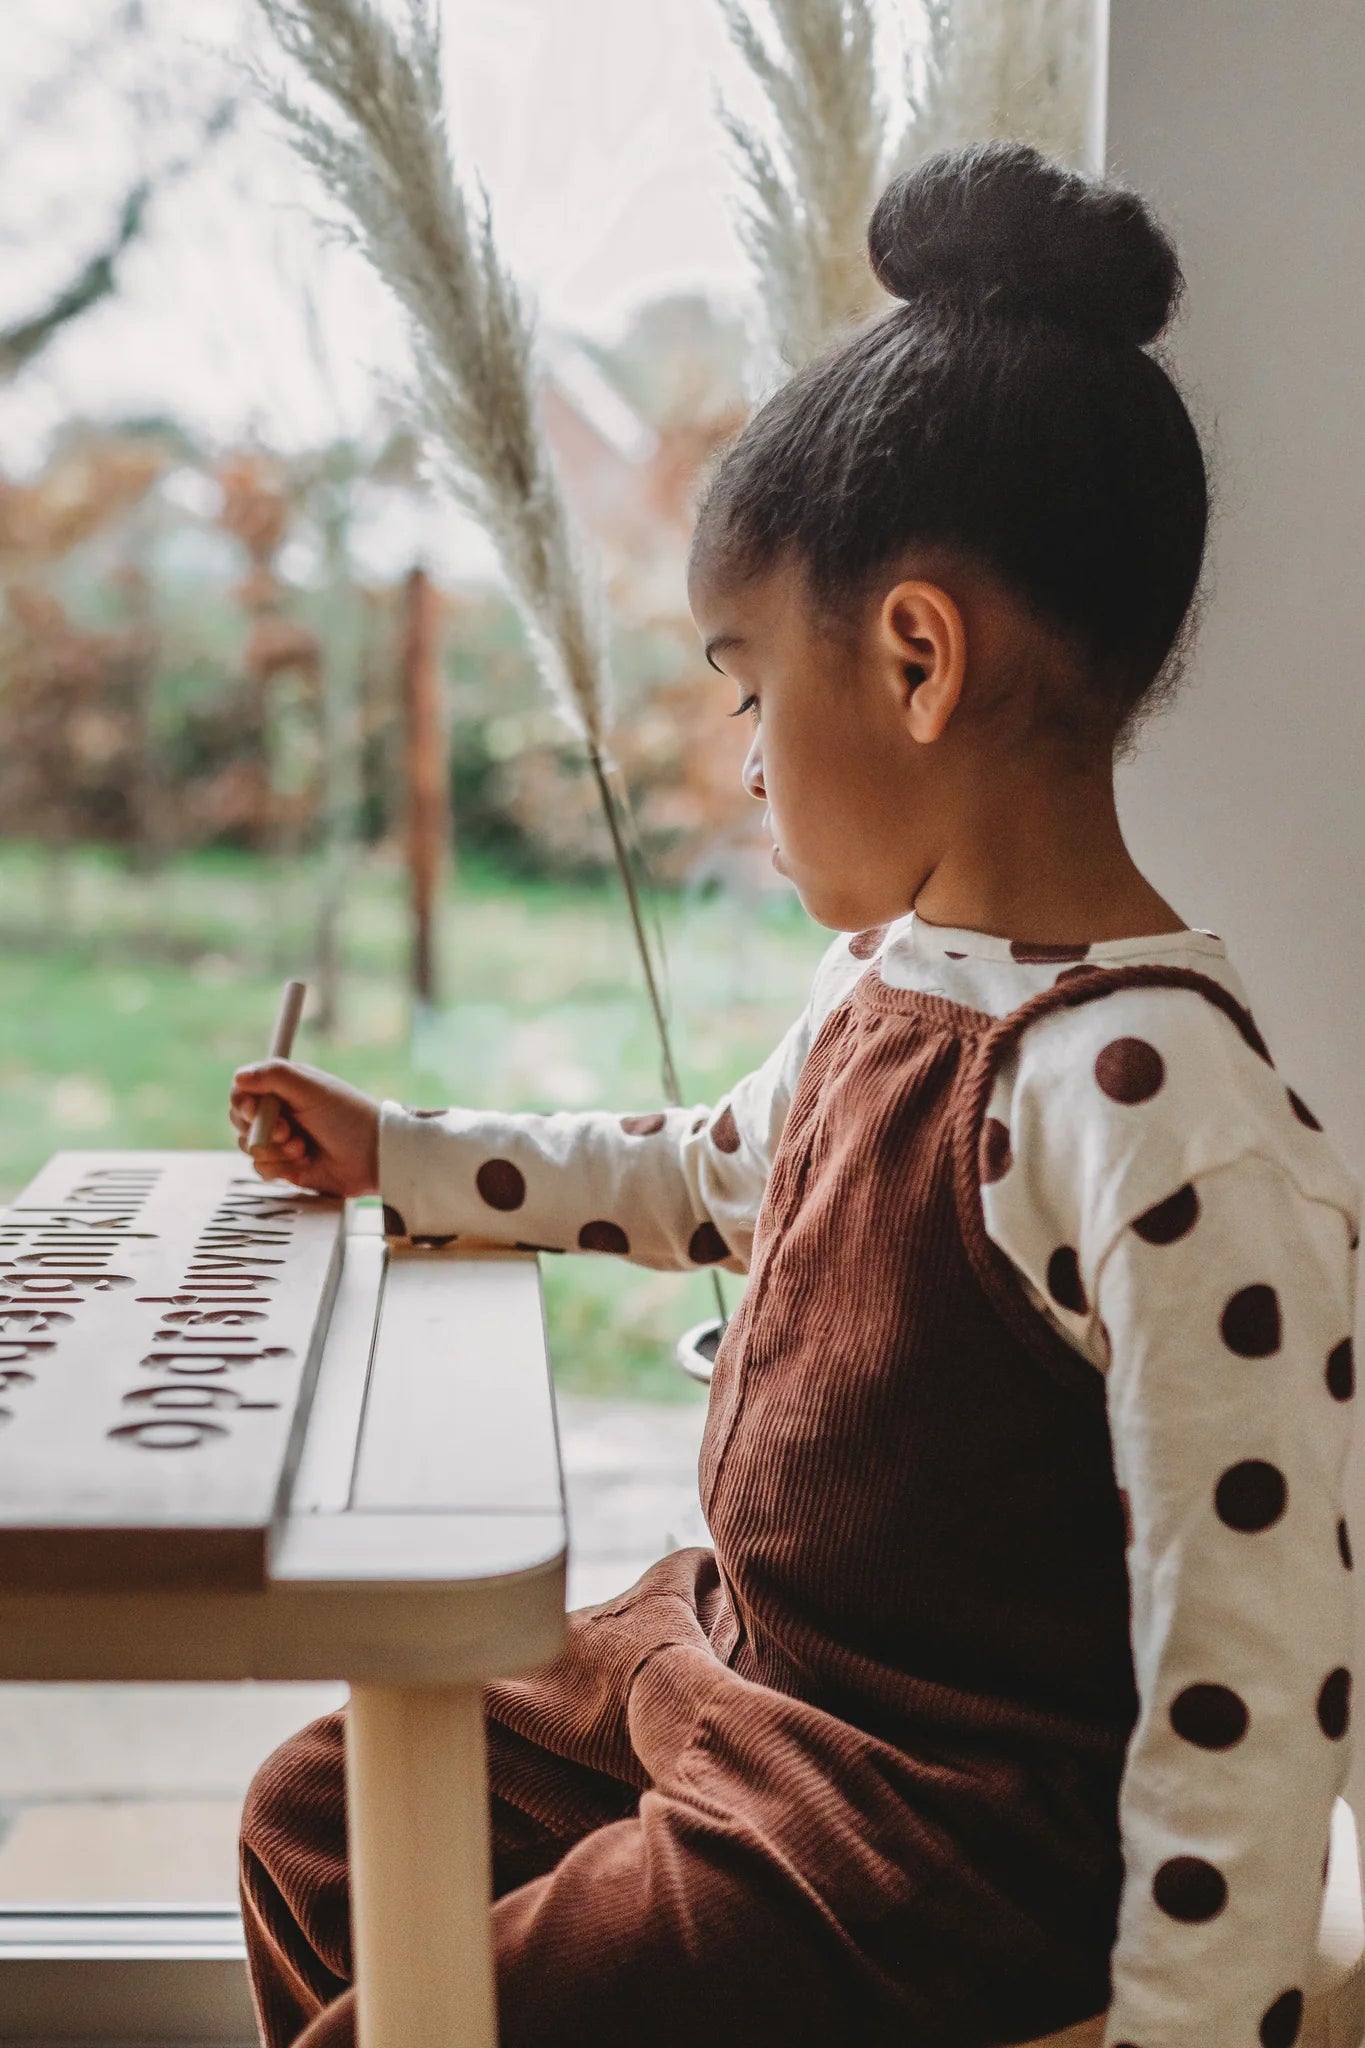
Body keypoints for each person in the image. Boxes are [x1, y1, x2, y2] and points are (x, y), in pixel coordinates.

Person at [228, 142, 1360, 2048]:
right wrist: (403, 1156)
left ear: (915, 658)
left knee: (421, 2024)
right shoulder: (890, 984)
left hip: (920, 1835)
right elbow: (712, 1176)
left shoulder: (1154, 1110)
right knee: (315, 1822)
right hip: (735, 1671)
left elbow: (1251, 1678)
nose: (741, 759)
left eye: (750, 688)